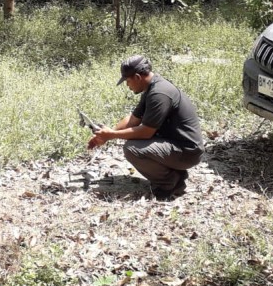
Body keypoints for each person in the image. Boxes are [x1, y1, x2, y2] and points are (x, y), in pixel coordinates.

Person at [87, 55, 204, 200]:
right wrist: (108, 134)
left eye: (127, 81)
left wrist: (111, 135)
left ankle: (169, 184)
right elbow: (133, 119)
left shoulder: (159, 93)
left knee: (133, 149)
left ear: (137, 77)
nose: (127, 85)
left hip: (188, 151)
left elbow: (146, 132)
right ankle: (175, 174)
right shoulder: (151, 88)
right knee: (135, 143)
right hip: (176, 145)